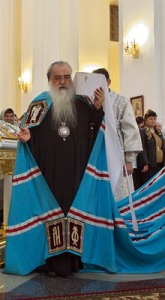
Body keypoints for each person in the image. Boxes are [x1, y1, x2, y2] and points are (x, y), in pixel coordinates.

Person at [16, 61, 104, 276]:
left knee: (74, 212)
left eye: (66, 77)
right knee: (51, 212)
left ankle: (74, 260)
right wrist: (28, 139)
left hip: (76, 171)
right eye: (58, 78)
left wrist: (99, 109)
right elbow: (29, 133)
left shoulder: (84, 104)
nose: (63, 82)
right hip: (48, 173)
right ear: (50, 80)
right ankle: (51, 261)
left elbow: (95, 133)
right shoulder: (39, 104)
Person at [92, 68, 142, 201]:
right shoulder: (88, 100)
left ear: (108, 82)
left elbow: (130, 130)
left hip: (117, 151)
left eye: (101, 81)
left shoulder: (121, 100)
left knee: (120, 192)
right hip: (95, 152)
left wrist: (129, 160)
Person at [135, 109, 165, 188]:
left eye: (155, 118)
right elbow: (142, 148)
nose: (153, 120)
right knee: (149, 185)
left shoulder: (158, 132)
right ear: (145, 120)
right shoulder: (143, 131)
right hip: (150, 164)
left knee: (158, 184)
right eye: (151, 118)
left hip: (159, 163)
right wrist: (145, 163)